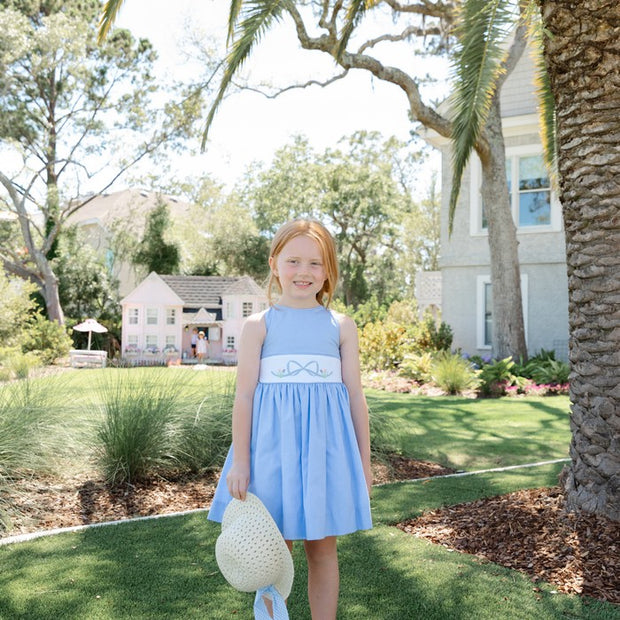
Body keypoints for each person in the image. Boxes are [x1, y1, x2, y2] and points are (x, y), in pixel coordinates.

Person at [208, 219, 372, 619]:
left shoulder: (341, 327)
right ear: (274, 263)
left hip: (324, 456)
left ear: (328, 270)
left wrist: (364, 466)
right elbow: (244, 396)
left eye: (316, 263)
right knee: (271, 552)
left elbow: (355, 398)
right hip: (270, 454)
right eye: (294, 260)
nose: (304, 271)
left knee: (322, 548)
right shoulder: (258, 326)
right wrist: (242, 462)